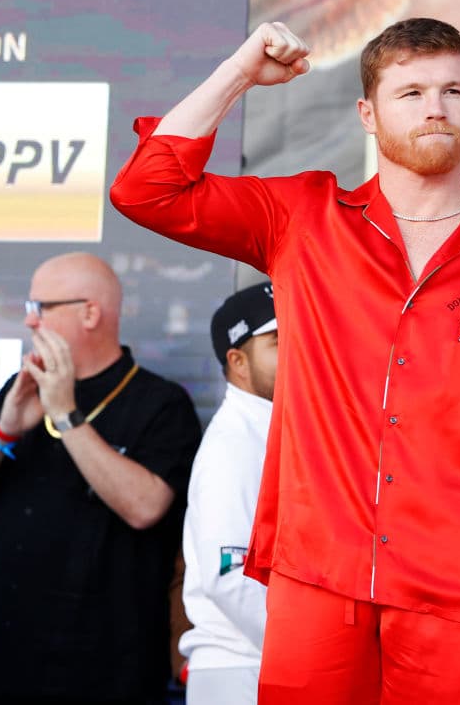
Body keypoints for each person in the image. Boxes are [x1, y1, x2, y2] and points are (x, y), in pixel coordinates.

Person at [109, 17, 460, 705]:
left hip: (457, 588)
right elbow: (147, 190)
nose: (435, 107)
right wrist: (238, 73)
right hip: (315, 576)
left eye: (452, 90)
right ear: (368, 114)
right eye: (409, 93)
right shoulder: (305, 217)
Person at [0, 252, 202, 704]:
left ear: (90, 312)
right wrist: (4, 431)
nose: (29, 322)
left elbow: (144, 508)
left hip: (101, 668)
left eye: (40, 308)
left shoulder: (160, 402)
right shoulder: (22, 387)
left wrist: (66, 415)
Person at [179, 282, 278, 705]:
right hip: (239, 670)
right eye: (278, 341)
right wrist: (304, 649)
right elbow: (229, 575)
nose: (301, 349)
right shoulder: (233, 444)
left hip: (254, 665)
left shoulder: (271, 428)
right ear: (238, 361)